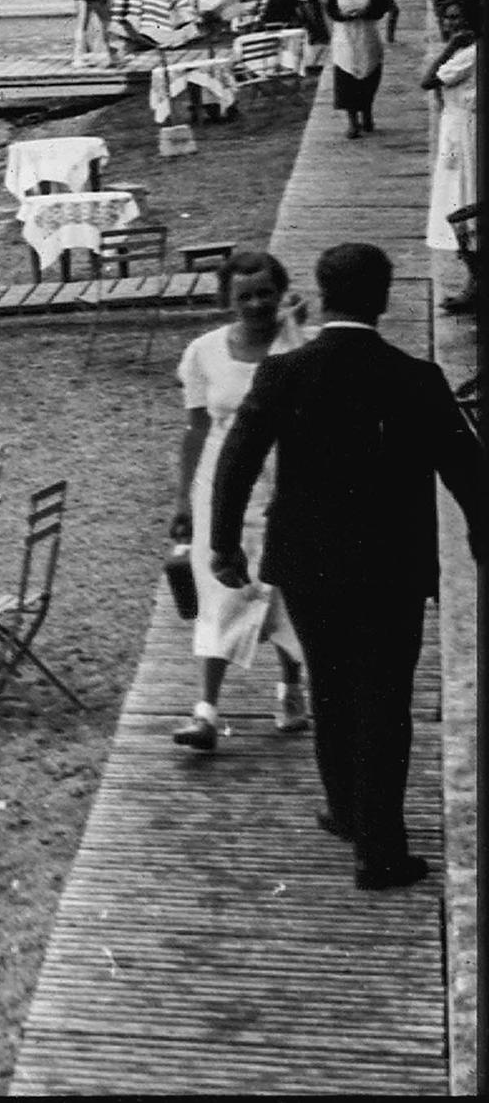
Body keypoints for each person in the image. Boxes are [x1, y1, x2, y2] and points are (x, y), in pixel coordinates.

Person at [211, 242, 481, 891]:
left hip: (309, 564)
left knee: (331, 685)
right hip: (393, 567)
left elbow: (236, 460)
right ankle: (382, 851)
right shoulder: (416, 377)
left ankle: (347, 810)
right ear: (384, 298)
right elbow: (470, 471)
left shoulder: (283, 373)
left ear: (322, 294)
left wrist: (225, 543)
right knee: (384, 700)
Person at [166, 250, 311, 753]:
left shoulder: (299, 348)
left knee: (285, 589)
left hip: (285, 481)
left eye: (265, 293)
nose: (255, 304)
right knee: (220, 593)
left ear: (282, 292)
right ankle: (205, 712)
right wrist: (184, 500)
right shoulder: (203, 352)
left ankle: (291, 690)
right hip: (221, 487)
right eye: (243, 296)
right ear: (226, 300)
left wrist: (293, 328)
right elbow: (196, 429)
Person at [420, 0, 477, 310]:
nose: (452, 23)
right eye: (448, 18)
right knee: (458, 200)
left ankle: (474, 282)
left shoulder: (467, 53)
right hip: (455, 129)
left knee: (462, 201)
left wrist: (451, 45)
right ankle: (474, 279)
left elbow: (427, 80)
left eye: (458, 17)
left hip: (464, 133)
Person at [325, 0, 386, 139]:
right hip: (345, 36)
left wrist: (366, 12)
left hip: (367, 34)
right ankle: (352, 122)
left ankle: (367, 112)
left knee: (369, 75)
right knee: (346, 76)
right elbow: (331, 9)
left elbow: (381, 7)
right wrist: (345, 16)